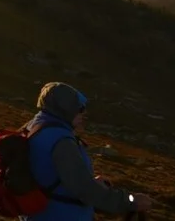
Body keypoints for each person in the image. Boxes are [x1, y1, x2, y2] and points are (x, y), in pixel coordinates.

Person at [21, 82, 153, 220]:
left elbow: (50, 175)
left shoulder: (33, 127)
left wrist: (90, 181)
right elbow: (85, 190)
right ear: (66, 109)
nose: (83, 113)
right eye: (79, 109)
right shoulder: (61, 141)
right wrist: (131, 201)